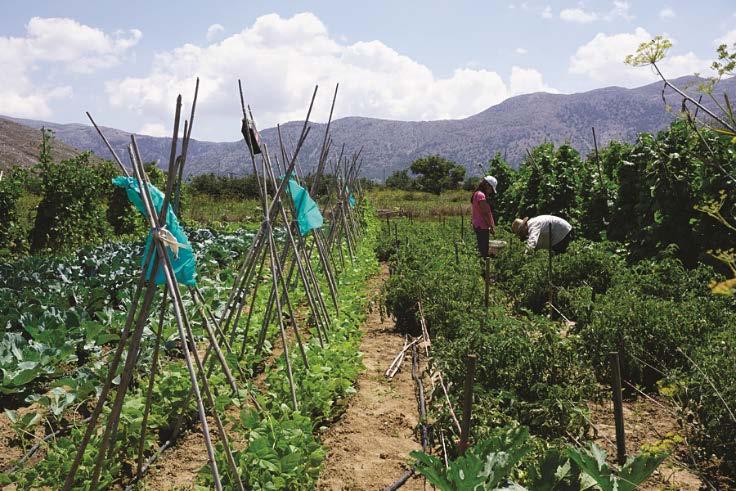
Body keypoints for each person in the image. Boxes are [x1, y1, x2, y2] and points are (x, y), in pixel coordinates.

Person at [470, 176, 497, 257]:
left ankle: (483, 265)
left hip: (478, 225)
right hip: (482, 226)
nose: (491, 191)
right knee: (484, 250)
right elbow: (486, 213)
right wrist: (491, 226)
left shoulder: (476, 194)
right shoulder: (481, 195)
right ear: (487, 185)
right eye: (491, 189)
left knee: (481, 248)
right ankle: (484, 267)